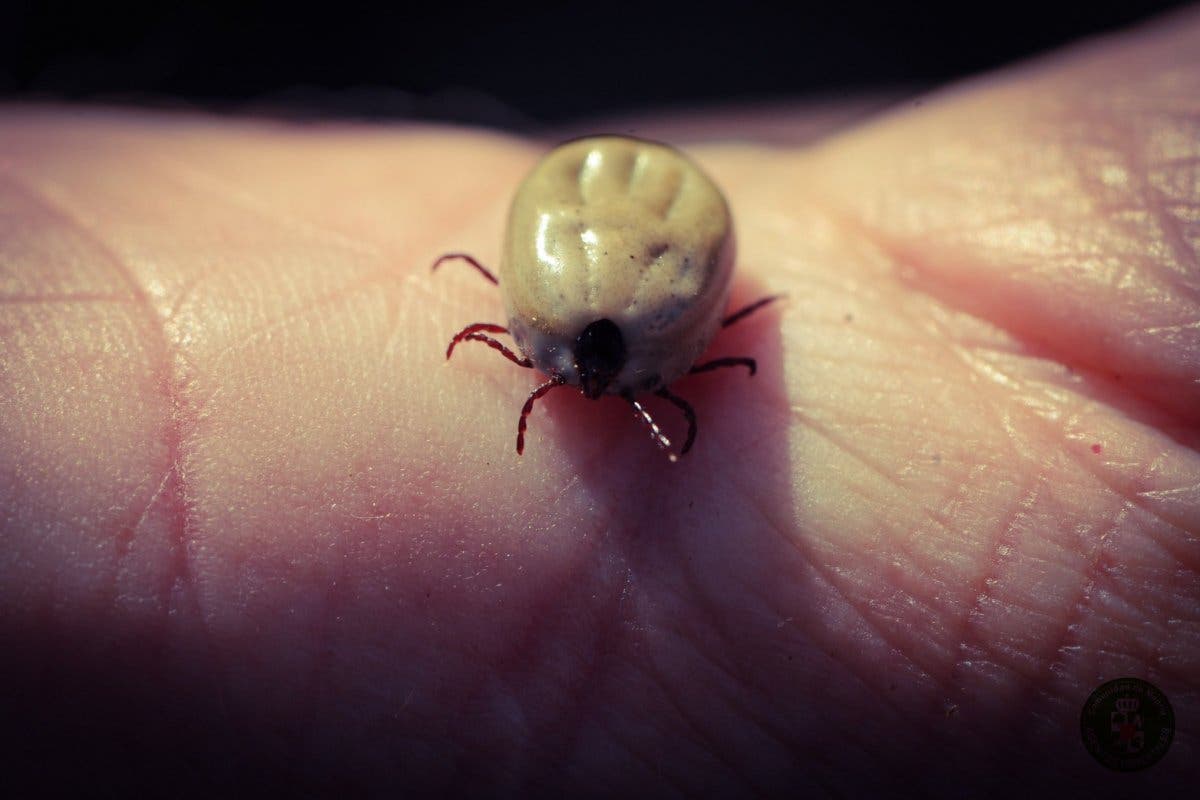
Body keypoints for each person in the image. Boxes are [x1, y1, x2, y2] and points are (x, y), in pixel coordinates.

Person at [1, 9, 1196, 796]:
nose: (570, 392)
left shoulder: (588, 336)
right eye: (567, 378)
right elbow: (686, 346)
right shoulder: (636, 353)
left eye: (577, 380)